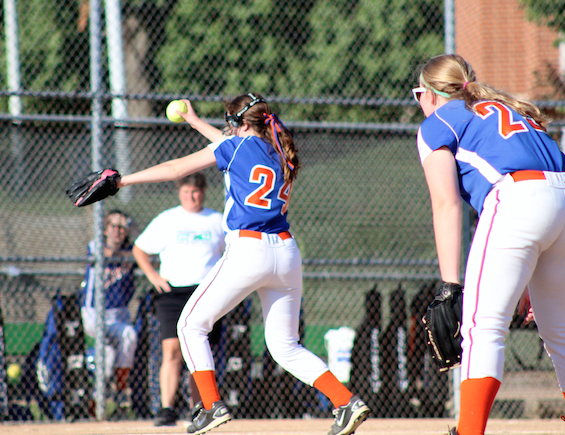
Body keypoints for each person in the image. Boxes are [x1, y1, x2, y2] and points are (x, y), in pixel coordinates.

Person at [89, 93, 369, 435]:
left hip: (249, 250)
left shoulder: (233, 148)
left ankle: (211, 406)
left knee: (190, 326)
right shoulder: (280, 151)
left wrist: (121, 181)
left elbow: (177, 168)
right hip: (286, 252)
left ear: (237, 124)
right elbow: (230, 142)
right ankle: (346, 401)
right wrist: (194, 121)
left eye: (228, 122)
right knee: (285, 346)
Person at [414, 54, 565, 435]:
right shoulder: (502, 108)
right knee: (564, 327)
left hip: (518, 201)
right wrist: (532, 273)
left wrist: (449, 288)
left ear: (432, 94)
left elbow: (446, 204)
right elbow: (540, 190)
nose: (418, 101)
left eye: (418, 92)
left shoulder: (437, 123)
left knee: (482, 328)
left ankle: (469, 432)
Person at [132, 173, 225, 427]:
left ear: (203, 192)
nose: (191, 197)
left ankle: (201, 407)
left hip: (205, 293)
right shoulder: (168, 219)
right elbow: (139, 249)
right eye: (186, 192)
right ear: (179, 193)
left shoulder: (217, 220)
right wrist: (153, 277)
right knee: (171, 350)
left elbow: (232, 254)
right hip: (172, 293)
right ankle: (166, 408)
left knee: (200, 351)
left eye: (195, 192)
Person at [79, 209, 138, 410]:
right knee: (112, 350)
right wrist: (130, 256)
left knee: (120, 344)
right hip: (94, 313)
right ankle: (101, 399)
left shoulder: (132, 249)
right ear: (105, 229)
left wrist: (132, 254)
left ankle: (116, 393)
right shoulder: (95, 244)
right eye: (113, 226)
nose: (118, 231)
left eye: (122, 227)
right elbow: (109, 253)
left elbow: (145, 256)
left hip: (119, 313)